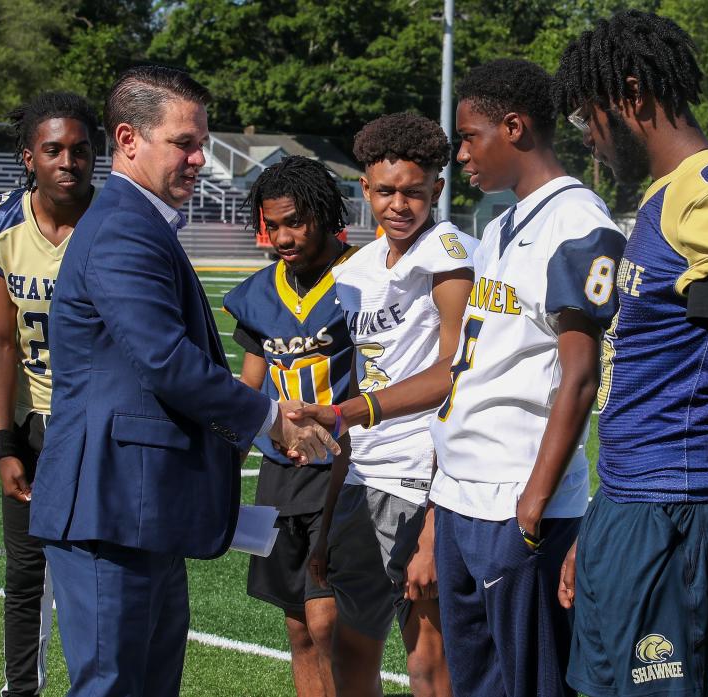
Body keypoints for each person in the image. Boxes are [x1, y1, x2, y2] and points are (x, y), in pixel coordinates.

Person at [28, 65, 339, 697]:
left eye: (201, 142)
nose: (201, 159)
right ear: (128, 139)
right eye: (185, 143)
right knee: (115, 686)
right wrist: (268, 417)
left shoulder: (137, 222)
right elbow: (165, 359)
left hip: (139, 506)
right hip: (109, 504)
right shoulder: (121, 225)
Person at [553, 10, 708, 696]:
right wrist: (602, 524)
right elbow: (651, 378)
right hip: (632, 510)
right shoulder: (665, 200)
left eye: (586, 120)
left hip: (679, 516)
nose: (590, 142)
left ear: (630, 95)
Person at [428, 59, 626, 697]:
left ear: (513, 127)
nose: (460, 153)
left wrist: (534, 503)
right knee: (476, 684)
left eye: (469, 136)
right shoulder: (503, 221)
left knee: (533, 683)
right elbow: (472, 363)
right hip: (463, 496)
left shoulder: (578, 221)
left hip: (515, 501)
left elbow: (579, 377)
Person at [305, 112, 475, 697]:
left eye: (413, 190)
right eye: (384, 191)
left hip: (420, 476)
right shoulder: (354, 271)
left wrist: (358, 412)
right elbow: (357, 378)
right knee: (350, 642)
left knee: (430, 658)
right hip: (362, 476)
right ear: (364, 189)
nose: (398, 204)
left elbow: (457, 372)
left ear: (438, 188)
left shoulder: (450, 255)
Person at [0, 91, 99, 697]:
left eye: (79, 149)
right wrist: (3, 442)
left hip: (101, 425)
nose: (68, 160)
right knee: (24, 577)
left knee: (97, 575)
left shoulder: (117, 220)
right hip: (37, 423)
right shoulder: (4, 230)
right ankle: (21, 690)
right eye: (53, 149)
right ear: (28, 157)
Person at [223, 155, 357, 697]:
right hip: (280, 472)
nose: (282, 236)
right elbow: (249, 387)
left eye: (295, 222)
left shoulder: (363, 278)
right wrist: (225, 463)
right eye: (272, 224)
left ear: (324, 215)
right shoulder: (258, 292)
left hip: (345, 467)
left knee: (329, 622)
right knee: (298, 627)